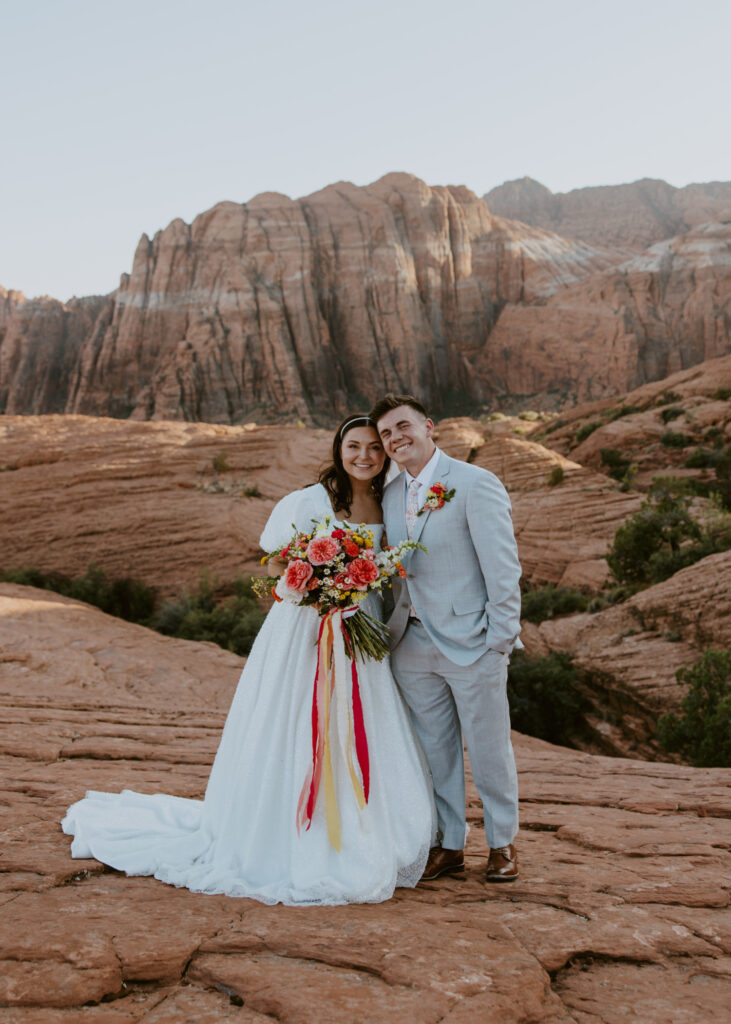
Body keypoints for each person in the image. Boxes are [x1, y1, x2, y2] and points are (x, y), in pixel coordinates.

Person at [62, 415, 434, 905]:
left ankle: (365, 825)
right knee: (297, 719)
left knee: (361, 721)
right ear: (338, 449)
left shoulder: (386, 499)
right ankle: (287, 830)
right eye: (354, 446)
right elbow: (278, 560)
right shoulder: (310, 500)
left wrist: (352, 587)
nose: (364, 456)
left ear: (385, 455)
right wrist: (316, 582)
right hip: (306, 626)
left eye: (373, 448)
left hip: (358, 625)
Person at [370, 393, 523, 883]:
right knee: (435, 750)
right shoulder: (391, 497)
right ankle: (450, 844)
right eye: (386, 434)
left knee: (488, 747)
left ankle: (502, 843)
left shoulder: (476, 483)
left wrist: (499, 640)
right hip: (411, 645)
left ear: (429, 426)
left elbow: (503, 569)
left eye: (403, 427)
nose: (396, 439)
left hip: (472, 641)